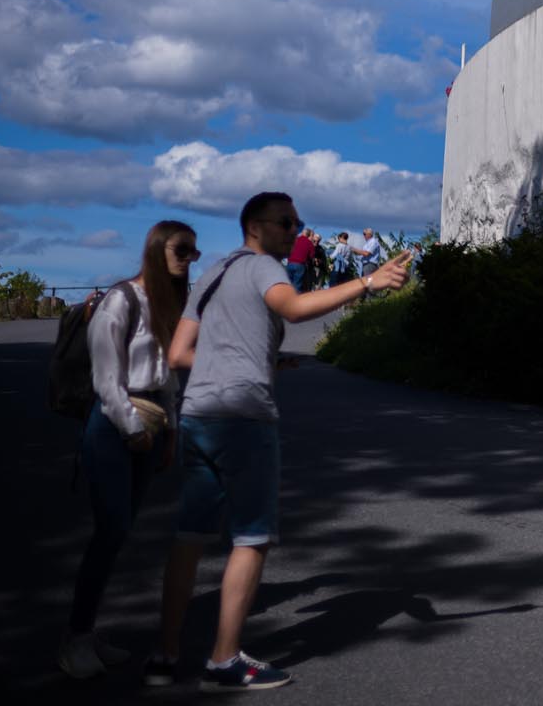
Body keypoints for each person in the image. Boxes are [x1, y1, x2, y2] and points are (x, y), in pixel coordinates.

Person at [155, 192, 410, 691]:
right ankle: (224, 659)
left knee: (190, 537)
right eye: (285, 222)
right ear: (255, 226)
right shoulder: (261, 266)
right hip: (245, 418)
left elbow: (180, 353)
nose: (295, 231)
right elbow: (292, 309)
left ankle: (163, 656)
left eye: (296, 223)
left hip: (200, 414)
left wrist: (261, 361)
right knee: (251, 538)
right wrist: (368, 281)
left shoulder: (212, 275)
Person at [58, 221, 197, 682]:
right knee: (110, 530)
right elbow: (106, 378)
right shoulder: (121, 300)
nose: (189, 258)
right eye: (182, 249)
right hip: (116, 425)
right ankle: (76, 639)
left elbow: (168, 375)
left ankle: (89, 632)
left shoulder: (169, 301)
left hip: (154, 421)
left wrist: (171, 429)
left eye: (194, 252)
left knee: (120, 532)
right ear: (157, 249)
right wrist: (134, 428)